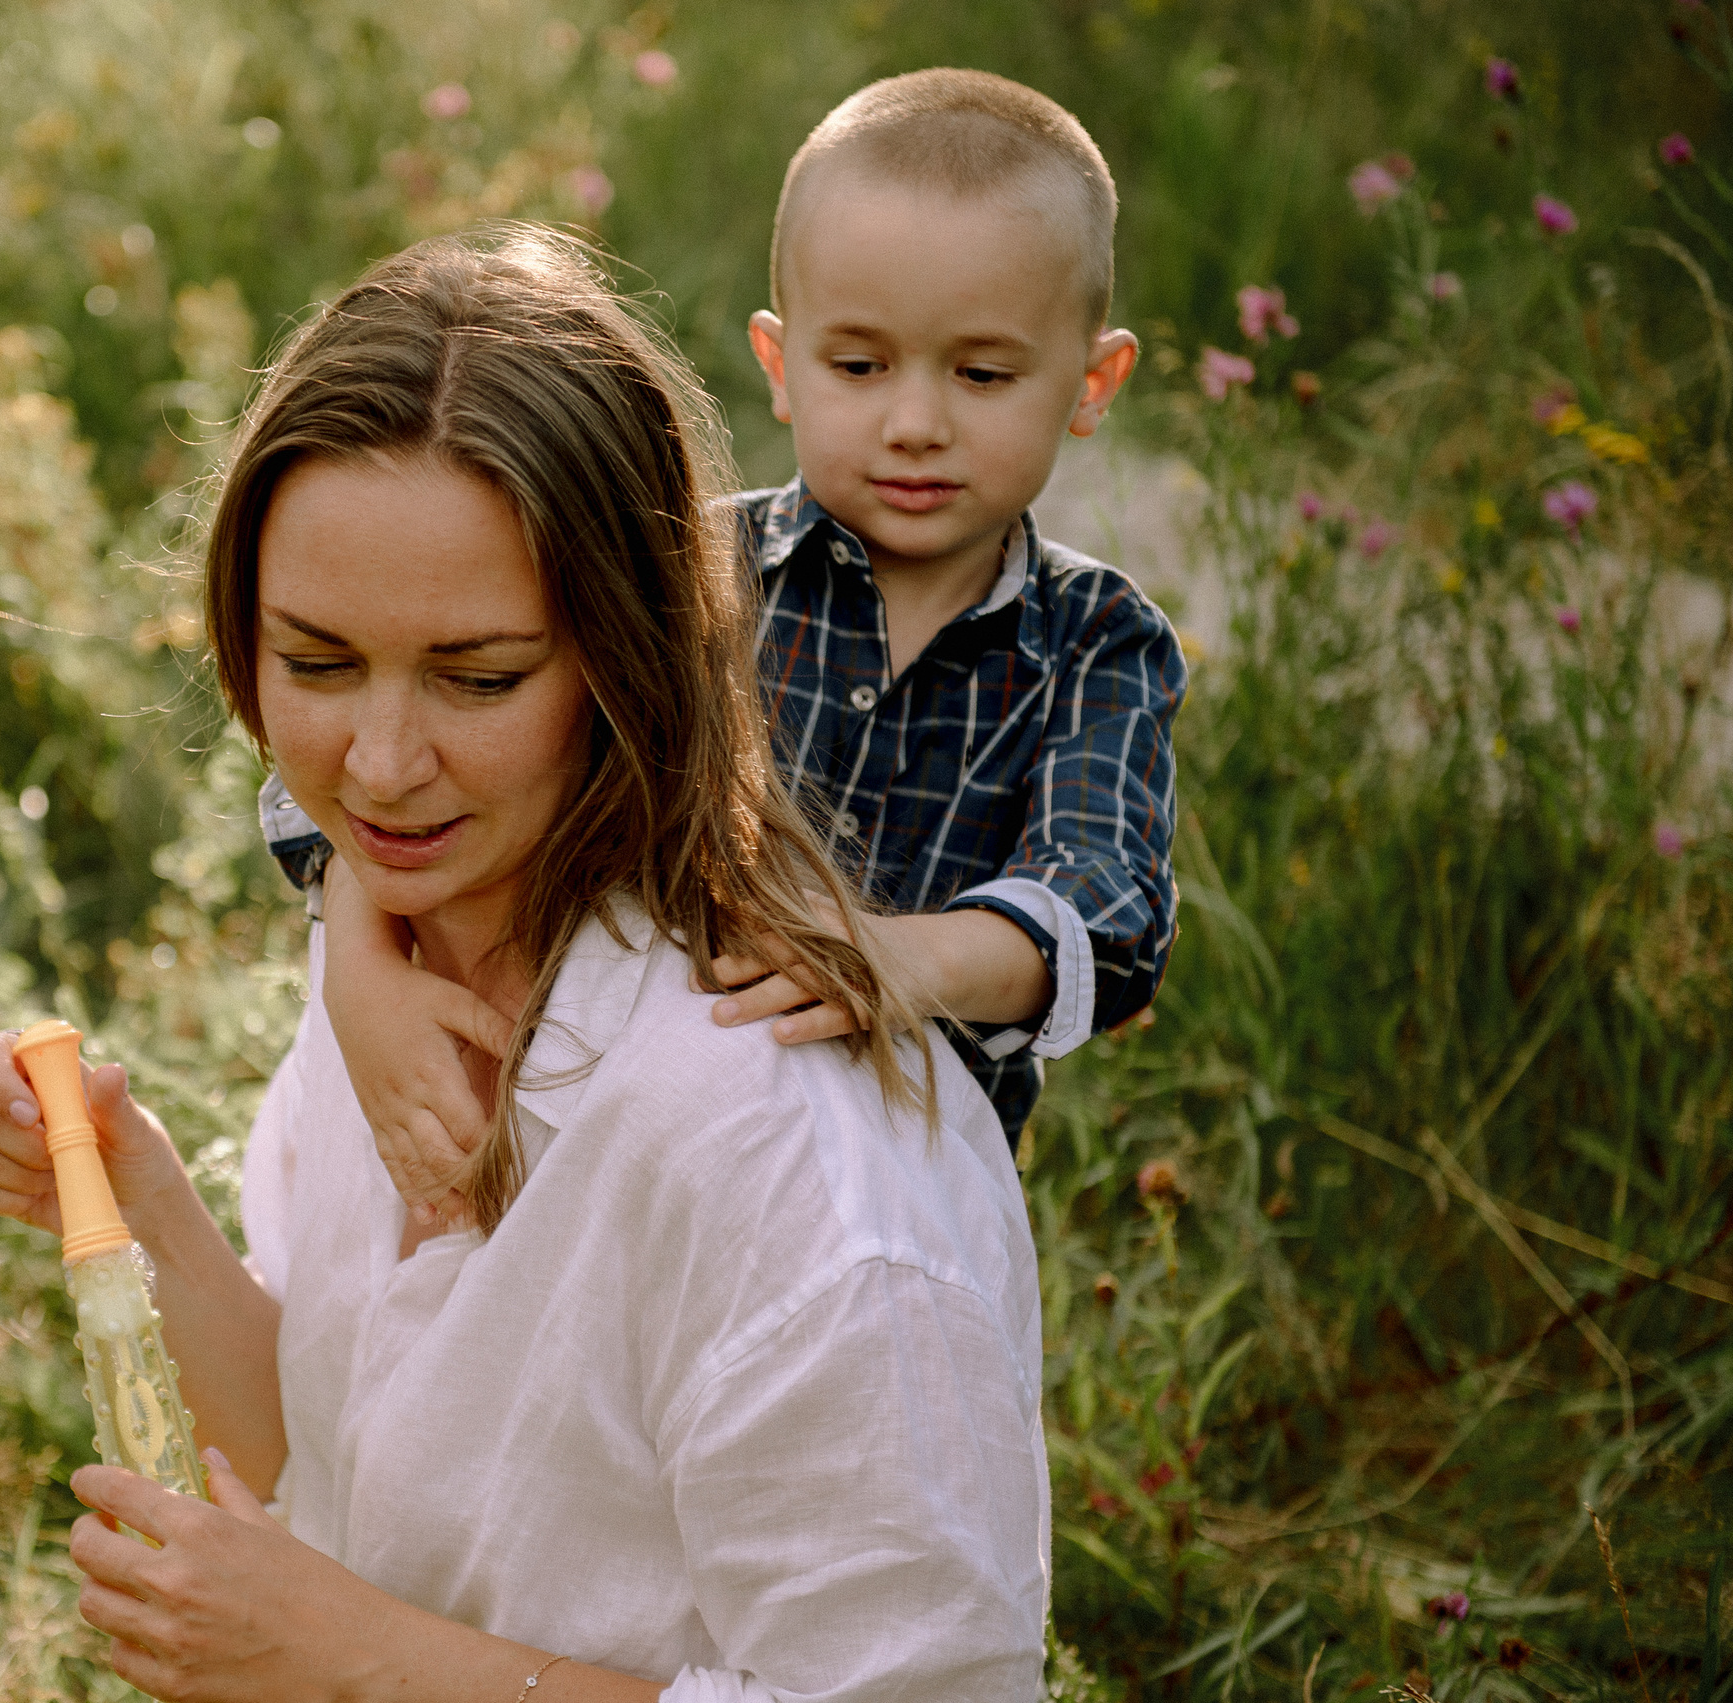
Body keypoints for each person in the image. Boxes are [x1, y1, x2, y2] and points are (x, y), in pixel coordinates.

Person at [0, 228, 1048, 1702]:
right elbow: (337, 1438)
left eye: (479, 677)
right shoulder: (394, 951)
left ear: (630, 656)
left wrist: (341, 1657)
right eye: (317, 661)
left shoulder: (781, 1149)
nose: (382, 765)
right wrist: (136, 1185)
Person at [269, 68, 1186, 1213]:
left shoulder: (1096, 641)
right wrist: (361, 971)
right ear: (778, 362)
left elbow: (1107, 904)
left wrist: (901, 960)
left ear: (1092, 382)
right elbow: (384, 767)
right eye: (857, 365)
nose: (914, 422)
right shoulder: (694, 566)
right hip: (610, 1130)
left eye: (983, 373)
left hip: (905, 1190)